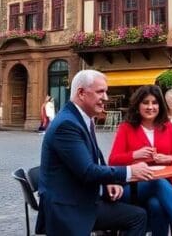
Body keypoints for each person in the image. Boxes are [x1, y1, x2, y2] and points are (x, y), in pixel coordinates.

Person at [36, 69, 152, 236]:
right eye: (100, 92)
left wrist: (107, 183)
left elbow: (96, 156)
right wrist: (130, 171)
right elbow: (88, 171)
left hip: (81, 199)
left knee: (139, 214)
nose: (105, 97)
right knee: (138, 216)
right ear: (81, 93)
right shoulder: (67, 124)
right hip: (69, 209)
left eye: (106, 92)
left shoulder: (81, 118)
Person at [108, 85, 172, 236]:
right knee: (154, 180)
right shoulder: (126, 128)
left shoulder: (167, 127)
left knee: (156, 205)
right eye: (145, 102)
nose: (150, 107)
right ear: (137, 105)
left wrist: (169, 158)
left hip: (166, 185)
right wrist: (135, 155)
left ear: (160, 105)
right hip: (133, 187)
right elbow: (113, 160)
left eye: (154, 102)